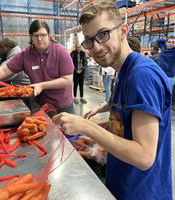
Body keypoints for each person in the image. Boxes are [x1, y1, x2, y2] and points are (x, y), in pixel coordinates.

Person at [53, 1, 172, 199]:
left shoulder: (141, 76)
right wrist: (99, 130)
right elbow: (124, 125)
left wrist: (86, 127)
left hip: (143, 192)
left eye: (103, 34)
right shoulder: (124, 72)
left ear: (123, 31)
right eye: (89, 40)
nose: (96, 46)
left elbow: (144, 156)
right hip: (122, 186)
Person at [0, 20, 75, 114]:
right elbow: (3, 70)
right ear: (31, 37)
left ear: (48, 36)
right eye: (35, 35)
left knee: (68, 131)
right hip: (42, 105)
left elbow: (67, 80)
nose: (39, 39)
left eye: (43, 35)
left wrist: (41, 85)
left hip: (63, 105)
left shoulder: (60, 52)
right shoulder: (25, 55)